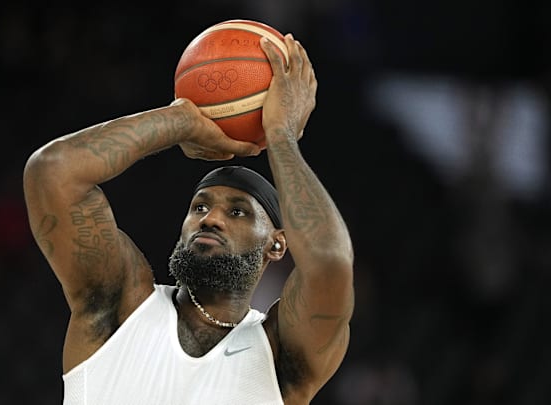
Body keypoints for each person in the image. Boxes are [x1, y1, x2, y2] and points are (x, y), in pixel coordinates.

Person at [23, 33, 354, 405]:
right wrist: (181, 120)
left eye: (237, 212)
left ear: (277, 243)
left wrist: (281, 134)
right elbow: (52, 173)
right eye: (199, 206)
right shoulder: (120, 307)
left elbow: (330, 262)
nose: (211, 218)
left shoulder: (280, 355)